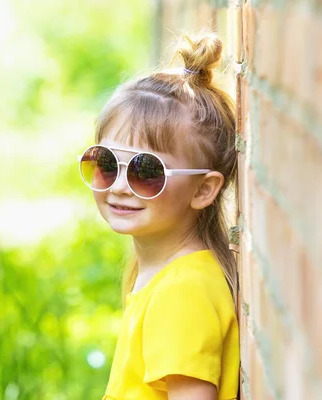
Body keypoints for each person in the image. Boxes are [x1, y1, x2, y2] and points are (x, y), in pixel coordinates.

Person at [77, 32, 240, 400]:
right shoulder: (161, 273)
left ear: (203, 190)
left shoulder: (183, 292)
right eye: (105, 163)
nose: (118, 186)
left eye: (145, 171)